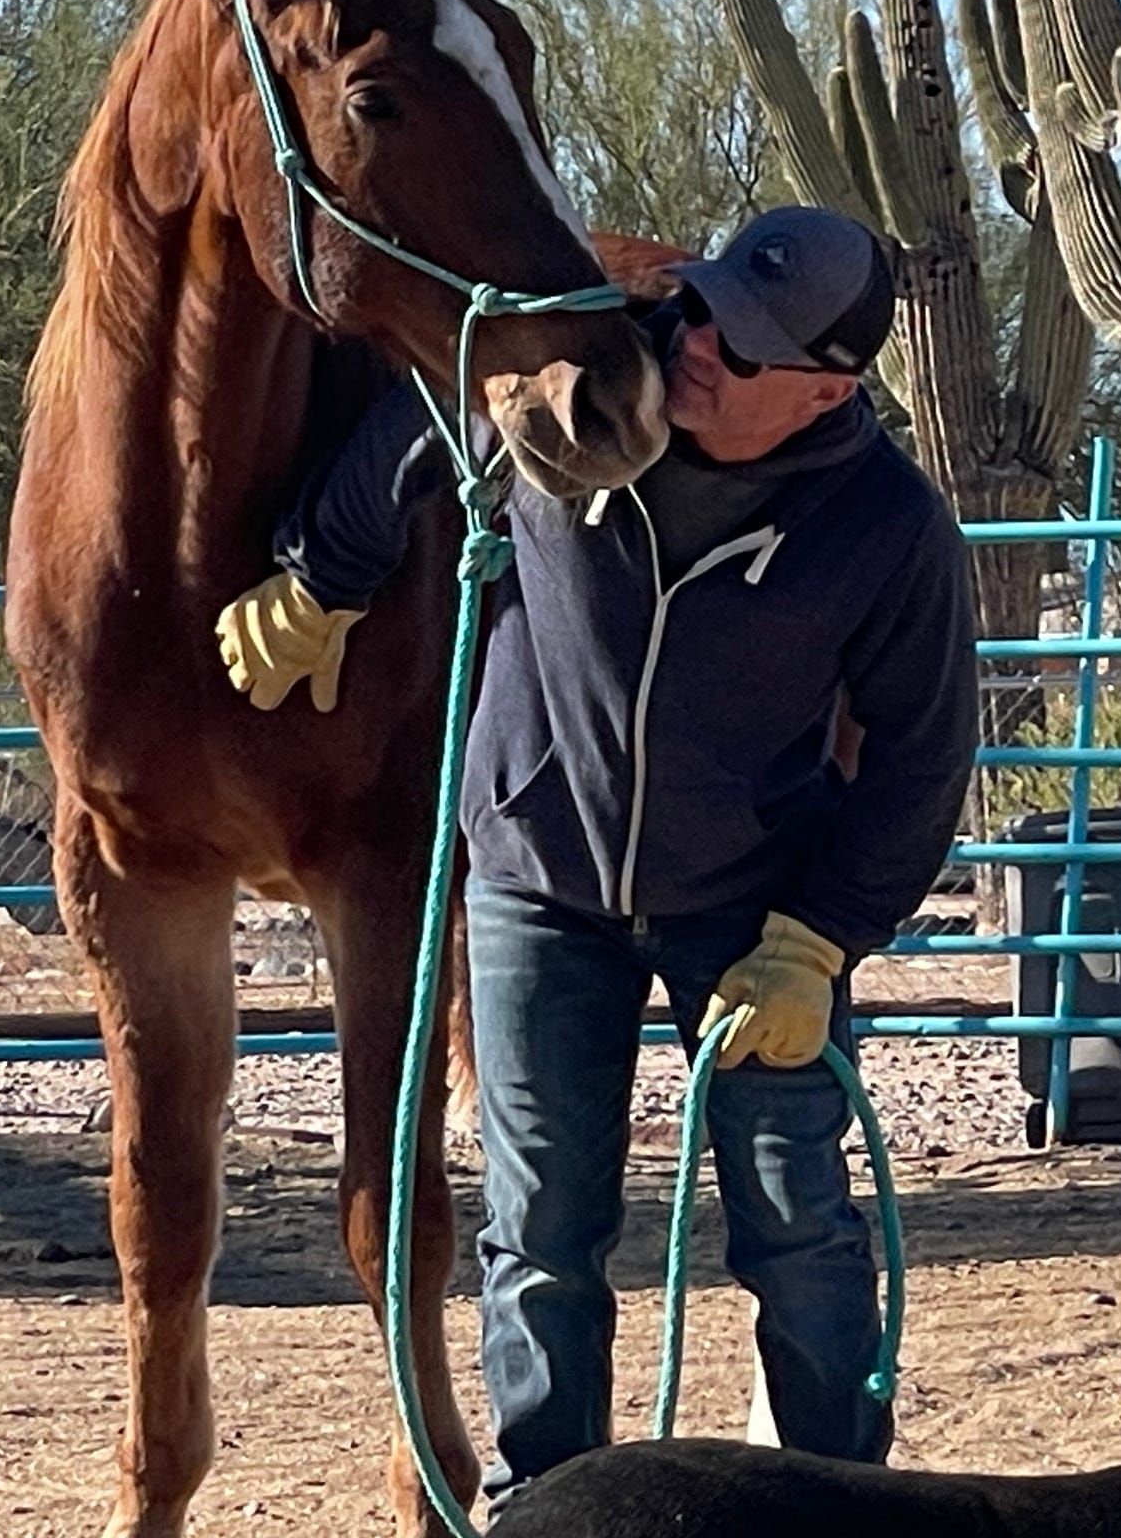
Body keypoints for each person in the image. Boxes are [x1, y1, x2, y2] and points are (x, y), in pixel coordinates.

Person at [217, 205, 979, 1511]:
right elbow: (423, 417)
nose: (693, 346)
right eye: (699, 309)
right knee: (541, 1234)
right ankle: (548, 1505)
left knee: (797, 1227)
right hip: (534, 885)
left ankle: (837, 1505)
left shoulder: (884, 527)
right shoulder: (587, 380)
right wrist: (322, 577)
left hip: (750, 912)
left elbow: (919, 761)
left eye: (737, 350)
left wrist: (816, 943)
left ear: (823, 390)